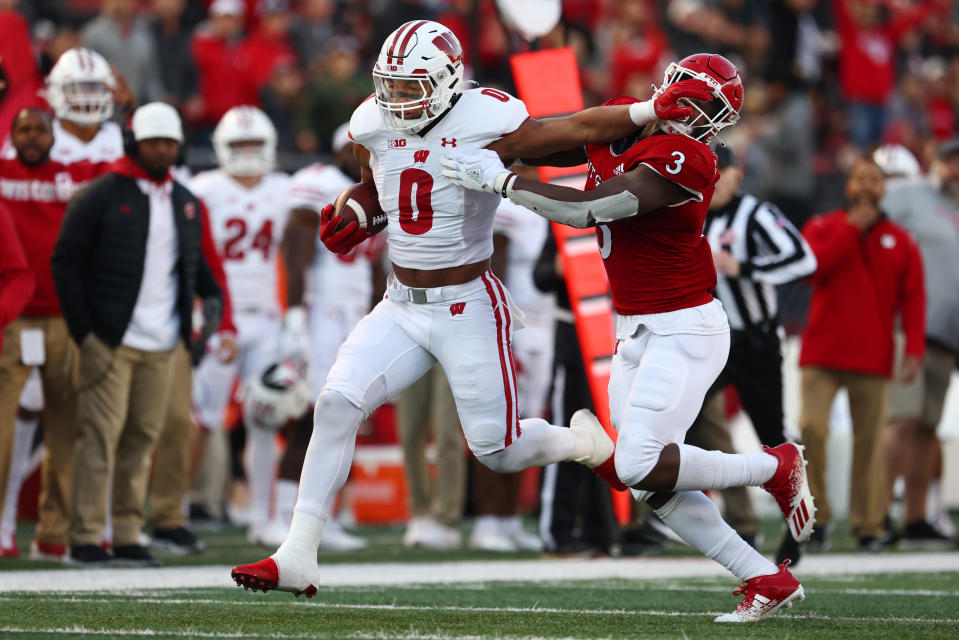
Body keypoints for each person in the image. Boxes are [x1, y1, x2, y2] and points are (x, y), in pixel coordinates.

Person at [231, 20, 712, 596]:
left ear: (448, 81)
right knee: (335, 403)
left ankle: (581, 443)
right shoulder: (370, 123)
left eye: (411, 87)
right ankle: (297, 554)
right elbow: (382, 194)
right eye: (389, 85)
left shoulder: (487, 118)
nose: (396, 99)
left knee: (499, 451)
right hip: (400, 303)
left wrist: (646, 110)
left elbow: (576, 128)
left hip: (467, 304)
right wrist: (360, 217)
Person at [444, 53, 816, 622]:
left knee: (639, 462)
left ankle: (774, 469)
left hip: (685, 324)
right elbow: (548, 144)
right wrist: (470, 147)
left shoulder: (691, 157)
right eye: (687, 97)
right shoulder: (625, 119)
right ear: (665, 88)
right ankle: (765, 577)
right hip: (635, 326)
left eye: (704, 107)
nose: (691, 113)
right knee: (646, 484)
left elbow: (588, 210)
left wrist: (500, 180)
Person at [51, 102, 222, 566]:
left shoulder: (186, 201)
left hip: (164, 342)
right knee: (98, 438)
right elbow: (65, 262)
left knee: (141, 441)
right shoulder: (100, 195)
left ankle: (127, 532)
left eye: (169, 142)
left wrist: (206, 324)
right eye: (154, 142)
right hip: (110, 339)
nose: (163, 150)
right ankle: (85, 536)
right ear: (134, 143)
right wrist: (84, 332)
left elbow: (199, 273)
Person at [257, 122, 380, 552]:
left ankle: (319, 518)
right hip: (320, 313)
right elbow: (295, 246)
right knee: (312, 415)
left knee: (344, 417)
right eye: (360, 150)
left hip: (353, 316)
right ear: (343, 151)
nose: (368, 157)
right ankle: (281, 516)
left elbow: (376, 266)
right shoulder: (321, 183)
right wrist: (294, 318)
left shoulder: (380, 191)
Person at [798, 156, 925, 553]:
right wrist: (851, 231)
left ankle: (868, 526)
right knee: (811, 430)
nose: (868, 186)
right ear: (849, 185)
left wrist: (915, 347)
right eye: (860, 178)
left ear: (884, 187)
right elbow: (813, 270)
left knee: (870, 443)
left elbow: (914, 298)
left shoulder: (901, 241)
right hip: (821, 353)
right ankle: (817, 519)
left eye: (875, 179)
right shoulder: (822, 227)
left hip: (874, 356)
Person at [697, 143, 817, 561]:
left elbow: (803, 260)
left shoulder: (756, 214)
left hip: (755, 341)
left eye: (722, 173)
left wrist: (745, 268)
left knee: (772, 438)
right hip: (709, 339)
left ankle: (798, 524)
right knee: (679, 420)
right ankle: (697, 520)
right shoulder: (688, 213)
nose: (714, 182)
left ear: (737, 175)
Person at [0, 108, 106, 561]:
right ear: (11, 135)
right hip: (13, 315)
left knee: (67, 429)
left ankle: (53, 531)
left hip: (64, 315)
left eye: (40, 129)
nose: (31, 137)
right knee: (3, 429)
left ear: (53, 135)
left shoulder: (74, 175)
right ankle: (3, 527)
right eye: (23, 129)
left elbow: (120, 167)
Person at [189, 105, 290, 546]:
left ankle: (261, 515)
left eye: (254, 146)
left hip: (267, 319)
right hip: (216, 320)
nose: (247, 154)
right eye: (238, 146)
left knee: (265, 418)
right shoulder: (203, 189)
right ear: (221, 150)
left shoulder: (286, 190)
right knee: (200, 418)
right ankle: (178, 509)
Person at [874, 142, 959, 549]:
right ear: (938, 163)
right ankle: (876, 518)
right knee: (902, 421)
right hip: (907, 326)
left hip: (947, 336)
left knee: (927, 427)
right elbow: (868, 224)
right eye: (951, 160)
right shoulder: (910, 192)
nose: (955, 169)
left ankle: (915, 517)